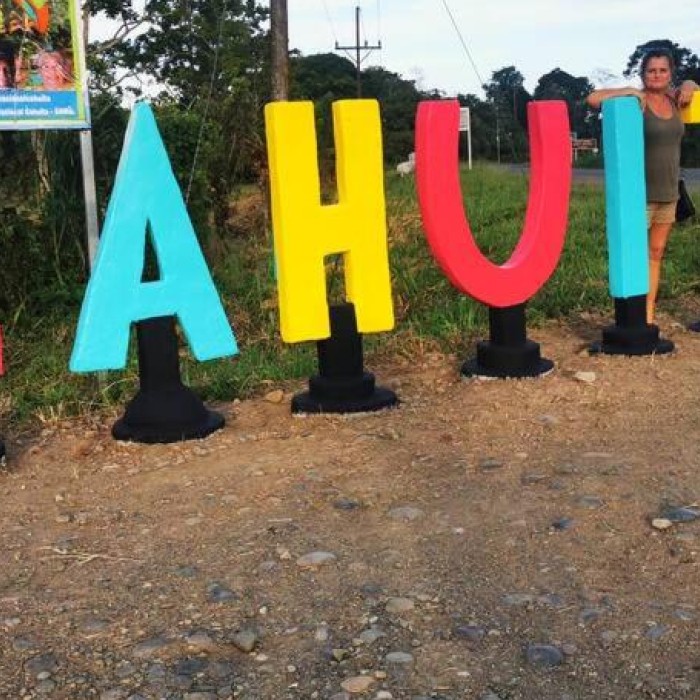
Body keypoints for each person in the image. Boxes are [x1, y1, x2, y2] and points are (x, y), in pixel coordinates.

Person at [586, 49, 699, 324]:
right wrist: (626, 90)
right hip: (640, 195)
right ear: (643, 74)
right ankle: (630, 317)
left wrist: (688, 84)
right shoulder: (636, 101)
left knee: (656, 254)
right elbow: (592, 99)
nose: (657, 75)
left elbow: (694, 87)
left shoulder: (676, 100)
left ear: (670, 73)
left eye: (663, 70)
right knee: (633, 255)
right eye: (651, 70)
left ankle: (648, 316)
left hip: (670, 193)